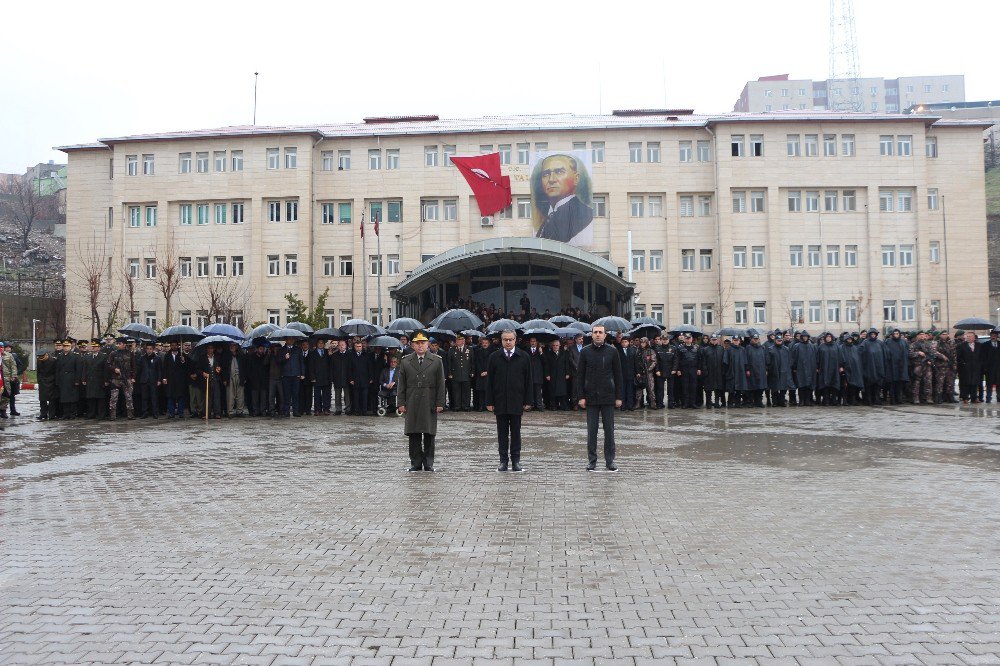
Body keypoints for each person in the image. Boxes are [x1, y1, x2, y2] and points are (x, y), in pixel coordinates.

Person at [574, 324, 623, 472]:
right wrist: (581, 396)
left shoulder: (612, 352)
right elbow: (580, 376)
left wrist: (619, 397)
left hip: (608, 396)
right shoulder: (585, 352)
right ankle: (592, 460)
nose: (598, 335)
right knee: (592, 431)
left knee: (609, 431)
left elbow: (618, 375)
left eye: (600, 332)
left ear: (605, 335)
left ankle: (610, 461)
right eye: (595, 332)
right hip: (591, 397)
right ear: (591, 334)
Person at [397, 331, 446, 472]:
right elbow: (402, 384)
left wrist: (440, 403)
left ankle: (429, 463)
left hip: (429, 400)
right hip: (411, 399)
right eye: (417, 343)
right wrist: (401, 403)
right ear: (412, 344)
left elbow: (440, 384)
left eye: (423, 343)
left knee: (429, 433)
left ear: (428, 344)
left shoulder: (437, 360)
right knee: (414, 433)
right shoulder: (406, 361)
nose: (420, 346)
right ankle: (415, 462)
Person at [485, 330, 533, 471]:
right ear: (501, 340)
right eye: (505, 339)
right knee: (502, 433)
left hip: (517, 400)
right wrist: (489, 401)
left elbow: (528, 380)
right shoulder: (494, 357)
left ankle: (516, 460)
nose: (508, 342)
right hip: (500, 401)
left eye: (510, 339)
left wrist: (528, 400)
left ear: (515, 340)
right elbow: (490, 382)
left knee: (516, 432)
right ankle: (503, 461)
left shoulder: (524, 357)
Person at [534, 154, 594, 244]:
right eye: (546, 174)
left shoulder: (585, 215)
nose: (551, 179)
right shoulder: (547, 217)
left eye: (559, 172)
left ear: (576, 179)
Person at [105, 337, 136, 420]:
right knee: (113, 398)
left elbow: (134, 366)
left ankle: (130, 415)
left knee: (129, 397)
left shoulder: (130, 353)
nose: (118, 345)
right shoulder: (113, 353)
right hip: (116, 379)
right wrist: (114, 369)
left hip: (127, 378)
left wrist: (133, 377)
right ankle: (112, 416)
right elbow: (108, 364)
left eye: (119, 344)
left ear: (124, 344)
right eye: (117, 343)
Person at [347, 339, 375, 415]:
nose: (358, 348)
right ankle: (356, 411)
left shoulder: (366, 355)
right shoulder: (351, 356)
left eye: (360, 346)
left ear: (362, 346)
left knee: (365, 396)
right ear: (354, 347)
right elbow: (349, 368)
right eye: (357, 346)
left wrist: (371, 378)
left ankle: (364, 411)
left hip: (365, 379)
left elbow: (370, 367)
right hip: (355, 380)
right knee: (356, 396)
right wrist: (350, 379)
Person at [446, 335, 474, 411]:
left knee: (467, 391)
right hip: (455, 374)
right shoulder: (452, 350)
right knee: (456, 391)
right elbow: (449, 362)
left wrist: (472, 371)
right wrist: (449, 373)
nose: (459, 342)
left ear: (464, 341)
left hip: (466, 373)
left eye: (461, 340)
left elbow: (472, 362)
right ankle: (457, 406)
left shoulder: (469, 349)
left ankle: (466, 406)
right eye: (458, 340)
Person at [136, 341, 163, 418]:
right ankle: (145, 412)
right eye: (147, 349)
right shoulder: (142, 358)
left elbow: (159, 370)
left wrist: (159, 380)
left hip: (153, 381)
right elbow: (139, 370)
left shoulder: (157, 358)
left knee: (154, 397)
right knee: (144, 398)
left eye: (150, 349)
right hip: (144, 380)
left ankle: (155, 412)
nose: (149, 350)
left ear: (153, 349)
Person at [161, 342, 189, 418]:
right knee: (170, 396)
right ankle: (171, 413)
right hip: (170, 379)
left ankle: (180, 412)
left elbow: (186, 367)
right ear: (170, 346)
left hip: (180, 380)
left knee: (180, 396)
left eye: (175, 345)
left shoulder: (182, 355)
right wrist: (164, 378)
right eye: (172, 345)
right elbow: (165, 368)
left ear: (178, 346)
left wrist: (183, 361)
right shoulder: (167, 356)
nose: (174, 347)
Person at [543, 338, 572, 410]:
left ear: (559, 346)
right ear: (552, 346)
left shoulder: (564, 353)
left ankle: (563, 405)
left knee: (562, 391)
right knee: (552, 391)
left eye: (557, 345)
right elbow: (546, 365)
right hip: (552, 375)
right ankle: (553, 406)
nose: (555, 346)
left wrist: (567, 373)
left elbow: (566, 364)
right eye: (554, 345)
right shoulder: (549, 354)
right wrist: (547, 374)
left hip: (561, 374)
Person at [956, 331, 982, 404]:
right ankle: (965, 398)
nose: (968, 337)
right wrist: (963, 364)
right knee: (966, 383)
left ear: (974, 337)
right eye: (967, 336)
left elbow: (982, 356)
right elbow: (959, 357)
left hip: (976, 367)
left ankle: (974, 398)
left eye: (970, 336)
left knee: (974, 383)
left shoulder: (979, 345)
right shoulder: (962, 345)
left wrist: (980, 364)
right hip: (965, 367)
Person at [307, 340, 332, 415]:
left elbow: (331, 365)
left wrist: (330, 356)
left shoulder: (327, 352)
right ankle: (317, 409)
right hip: (316, 377)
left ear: (324, 344)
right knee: (317, 395)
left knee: (326, 395)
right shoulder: (312, 353)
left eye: (322, 343)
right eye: (319, 343)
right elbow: (310, 366)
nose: (321, 344)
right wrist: (312, 377)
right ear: (316, 344)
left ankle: (326, 409)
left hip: (326, 377)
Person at [35, 346, 57, 420]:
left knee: (51, 400)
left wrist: (54, 381)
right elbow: (38, 372)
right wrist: (39, 380)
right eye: (40, 356)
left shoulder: (53, 361)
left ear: (46, 354)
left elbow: (55, 372)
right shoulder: (39, 360)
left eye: (42, 356)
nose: (41, 357)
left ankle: (51, 415)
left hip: (51, 382)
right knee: (42, 399)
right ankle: (43, 414)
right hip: (42, 383)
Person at [0, 342, 16, 418]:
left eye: (2, 347)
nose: (1, 348)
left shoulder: (9, 355)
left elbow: (13, 366)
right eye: (0, 347)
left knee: (6, 395)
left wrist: (13, 375)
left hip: (6, 378)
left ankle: (3, 411)